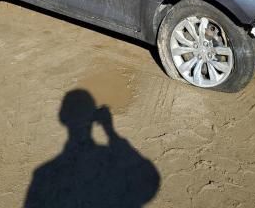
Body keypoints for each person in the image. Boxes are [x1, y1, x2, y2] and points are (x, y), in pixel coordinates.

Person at [24, 89, 160, 208]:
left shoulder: (43, 174)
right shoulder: (112, 160)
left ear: (62, 118)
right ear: (94, 118)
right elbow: (149, 180)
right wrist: (110, 131)